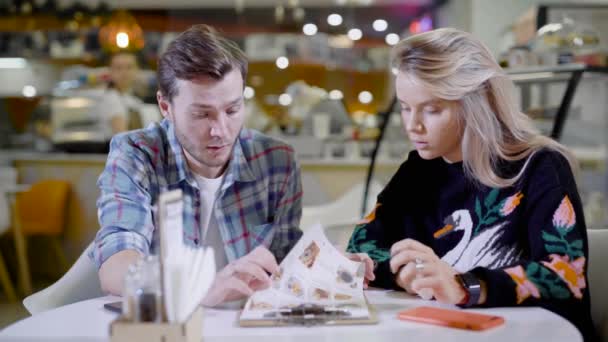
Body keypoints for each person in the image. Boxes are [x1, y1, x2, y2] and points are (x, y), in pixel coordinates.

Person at [346, 28, 596, 340]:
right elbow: (361, 246)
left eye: (432, 109)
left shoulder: (540, 166)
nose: (413, 125)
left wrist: (466, 285)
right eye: (406, 107)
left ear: (474, 103)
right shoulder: (416, 171)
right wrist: (406, 275)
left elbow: (566, 276)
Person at [90, 24, 303, 307]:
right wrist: (196, 289)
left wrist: (331, 265)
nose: (221, 131)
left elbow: (287, 263)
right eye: (202, 114)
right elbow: (117, 264)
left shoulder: (278, 161)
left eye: (232, 110)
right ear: (165, 107)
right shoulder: (136, 155)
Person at [92, 52, 144, 142]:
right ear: (110, 71)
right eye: (118, 68)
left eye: (129, 67)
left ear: (137, 70)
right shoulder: (112, 99)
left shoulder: (132, 98)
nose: (124, 73)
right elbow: (122, 139)